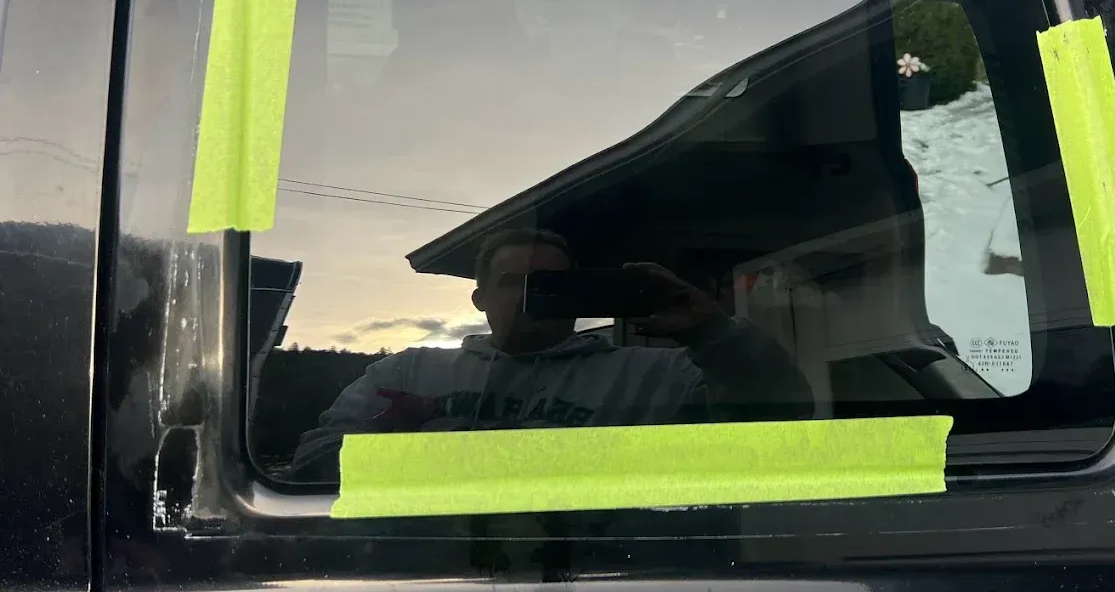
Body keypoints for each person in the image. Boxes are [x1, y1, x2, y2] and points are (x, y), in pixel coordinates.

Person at [290, 228, 812, 480]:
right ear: (479, 299)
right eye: (512, 281)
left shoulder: (659, 374)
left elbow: (783, 425)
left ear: (579, 295)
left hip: (602, 591)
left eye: (548, 284)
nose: (527, 296)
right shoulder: (408, 370)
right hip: (433, 587)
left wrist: (715, 333)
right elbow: (312, 465)